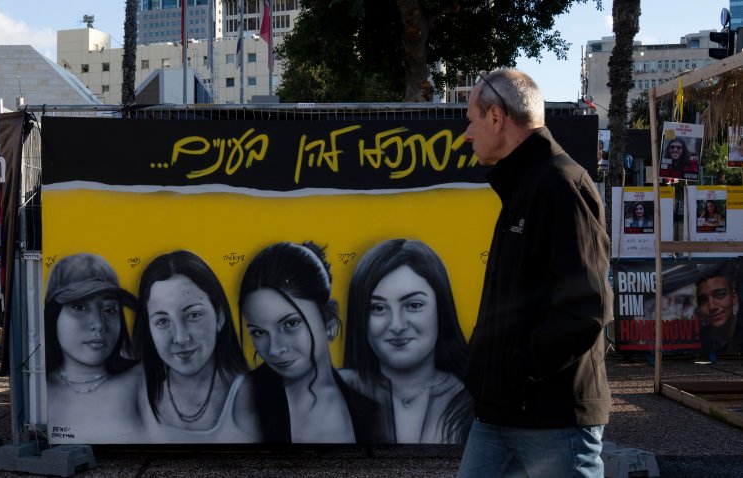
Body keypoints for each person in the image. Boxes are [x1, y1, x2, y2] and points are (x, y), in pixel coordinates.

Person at [457, 69, 613, 477]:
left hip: (552, 418)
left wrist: (519, 368)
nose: (467, 134)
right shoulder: (523, 185)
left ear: (496, 116)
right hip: (499, 414)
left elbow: (585, 307)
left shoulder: (560, 185)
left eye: (472, 119)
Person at [238, 241, 378, 443]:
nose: (275, 349)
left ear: (329, 320)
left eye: (291, 323)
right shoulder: (237, 401)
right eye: (259, 332)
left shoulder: (372, 413)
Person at [340, 239, 473, 445]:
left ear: (442, 309)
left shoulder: (472, 399)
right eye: (378, 308)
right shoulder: (333, 391)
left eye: (414, 305)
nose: (397, 325)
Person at [133, 250, 256, 443]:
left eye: (193, 315)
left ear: (220, 317)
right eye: (163, 321)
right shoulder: (136, 392)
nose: (181, 338)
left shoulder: (253, 393)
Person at [44, 253, 143, 443]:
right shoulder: (40, 390)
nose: (99, 324)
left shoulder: (145, 380)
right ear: (54, 315)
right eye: (80, 307)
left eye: (110, 310)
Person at [696, 265, 742, 353]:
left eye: (719, 295)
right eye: (703, 300)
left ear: (734, 298)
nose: (712, 307)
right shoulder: (699, 341)